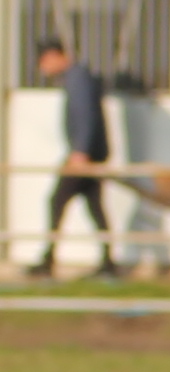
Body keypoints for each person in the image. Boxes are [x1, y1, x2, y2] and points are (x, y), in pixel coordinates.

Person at [34, 34, 108, 278]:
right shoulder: (77, 76)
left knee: (57, 201)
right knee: (94, 207)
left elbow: (85, 115)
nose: (43, 68)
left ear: (54, 56)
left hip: (83, 155)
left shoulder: (77, 78)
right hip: (87, 153)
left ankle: (48, 258)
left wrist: (81, 152)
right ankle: (108, 260)